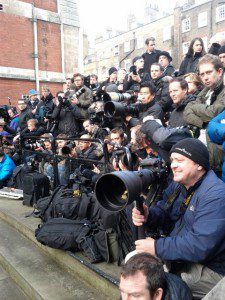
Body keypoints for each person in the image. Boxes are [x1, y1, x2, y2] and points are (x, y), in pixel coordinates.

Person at [132, 138, 225, 298]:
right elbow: (165, 212)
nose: (173, 165)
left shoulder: (216, 195)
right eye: (172, 160)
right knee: (132, 262)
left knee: (151, 284)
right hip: (183, 256)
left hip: (210, 267)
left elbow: (201, 245)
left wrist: (157, 247)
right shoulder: (179, 185)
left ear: (199, 165)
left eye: (180, 160)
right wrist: (150, 215)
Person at [183, 54, 225, 173]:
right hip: (200, 150)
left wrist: (195, 107)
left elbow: (214, 112)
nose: (205, 77)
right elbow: (187, 113)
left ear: (219, 71)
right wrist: (204, 123)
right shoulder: (204, 92)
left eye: (209, 72)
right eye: (202, 74)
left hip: (216, 154)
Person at [120, 253, 192, 300]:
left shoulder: (179, 295)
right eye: (122, 291)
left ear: (157, 295)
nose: (124, 298)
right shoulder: (129, 291)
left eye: (135, 295)